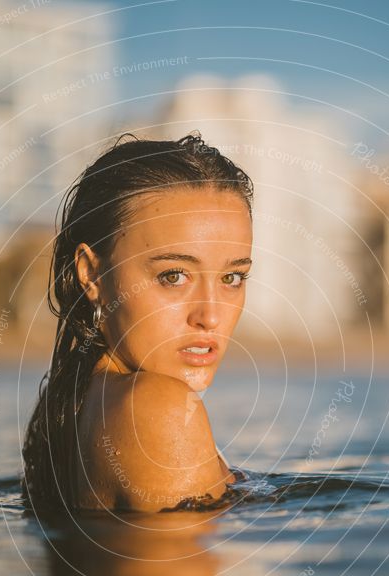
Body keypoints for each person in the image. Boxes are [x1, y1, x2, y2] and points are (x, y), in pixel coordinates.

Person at [21, 132, 253, 514]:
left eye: (232, 278)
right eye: (174, 276)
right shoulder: (157, 410)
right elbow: (176, 573)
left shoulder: (77, 400)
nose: (210, 316)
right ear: (92, 275)